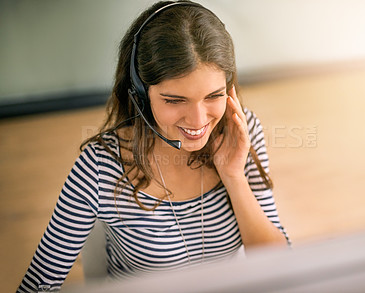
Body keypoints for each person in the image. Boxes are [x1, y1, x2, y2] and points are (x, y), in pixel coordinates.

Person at [17, 1, 289, 292]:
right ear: (141, 94)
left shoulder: (240, 132)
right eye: (174, 100)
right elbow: (38, 285)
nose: (199, 121)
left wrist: (234, 177)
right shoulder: (99, 166)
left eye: (214, 96)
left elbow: (280, 266)